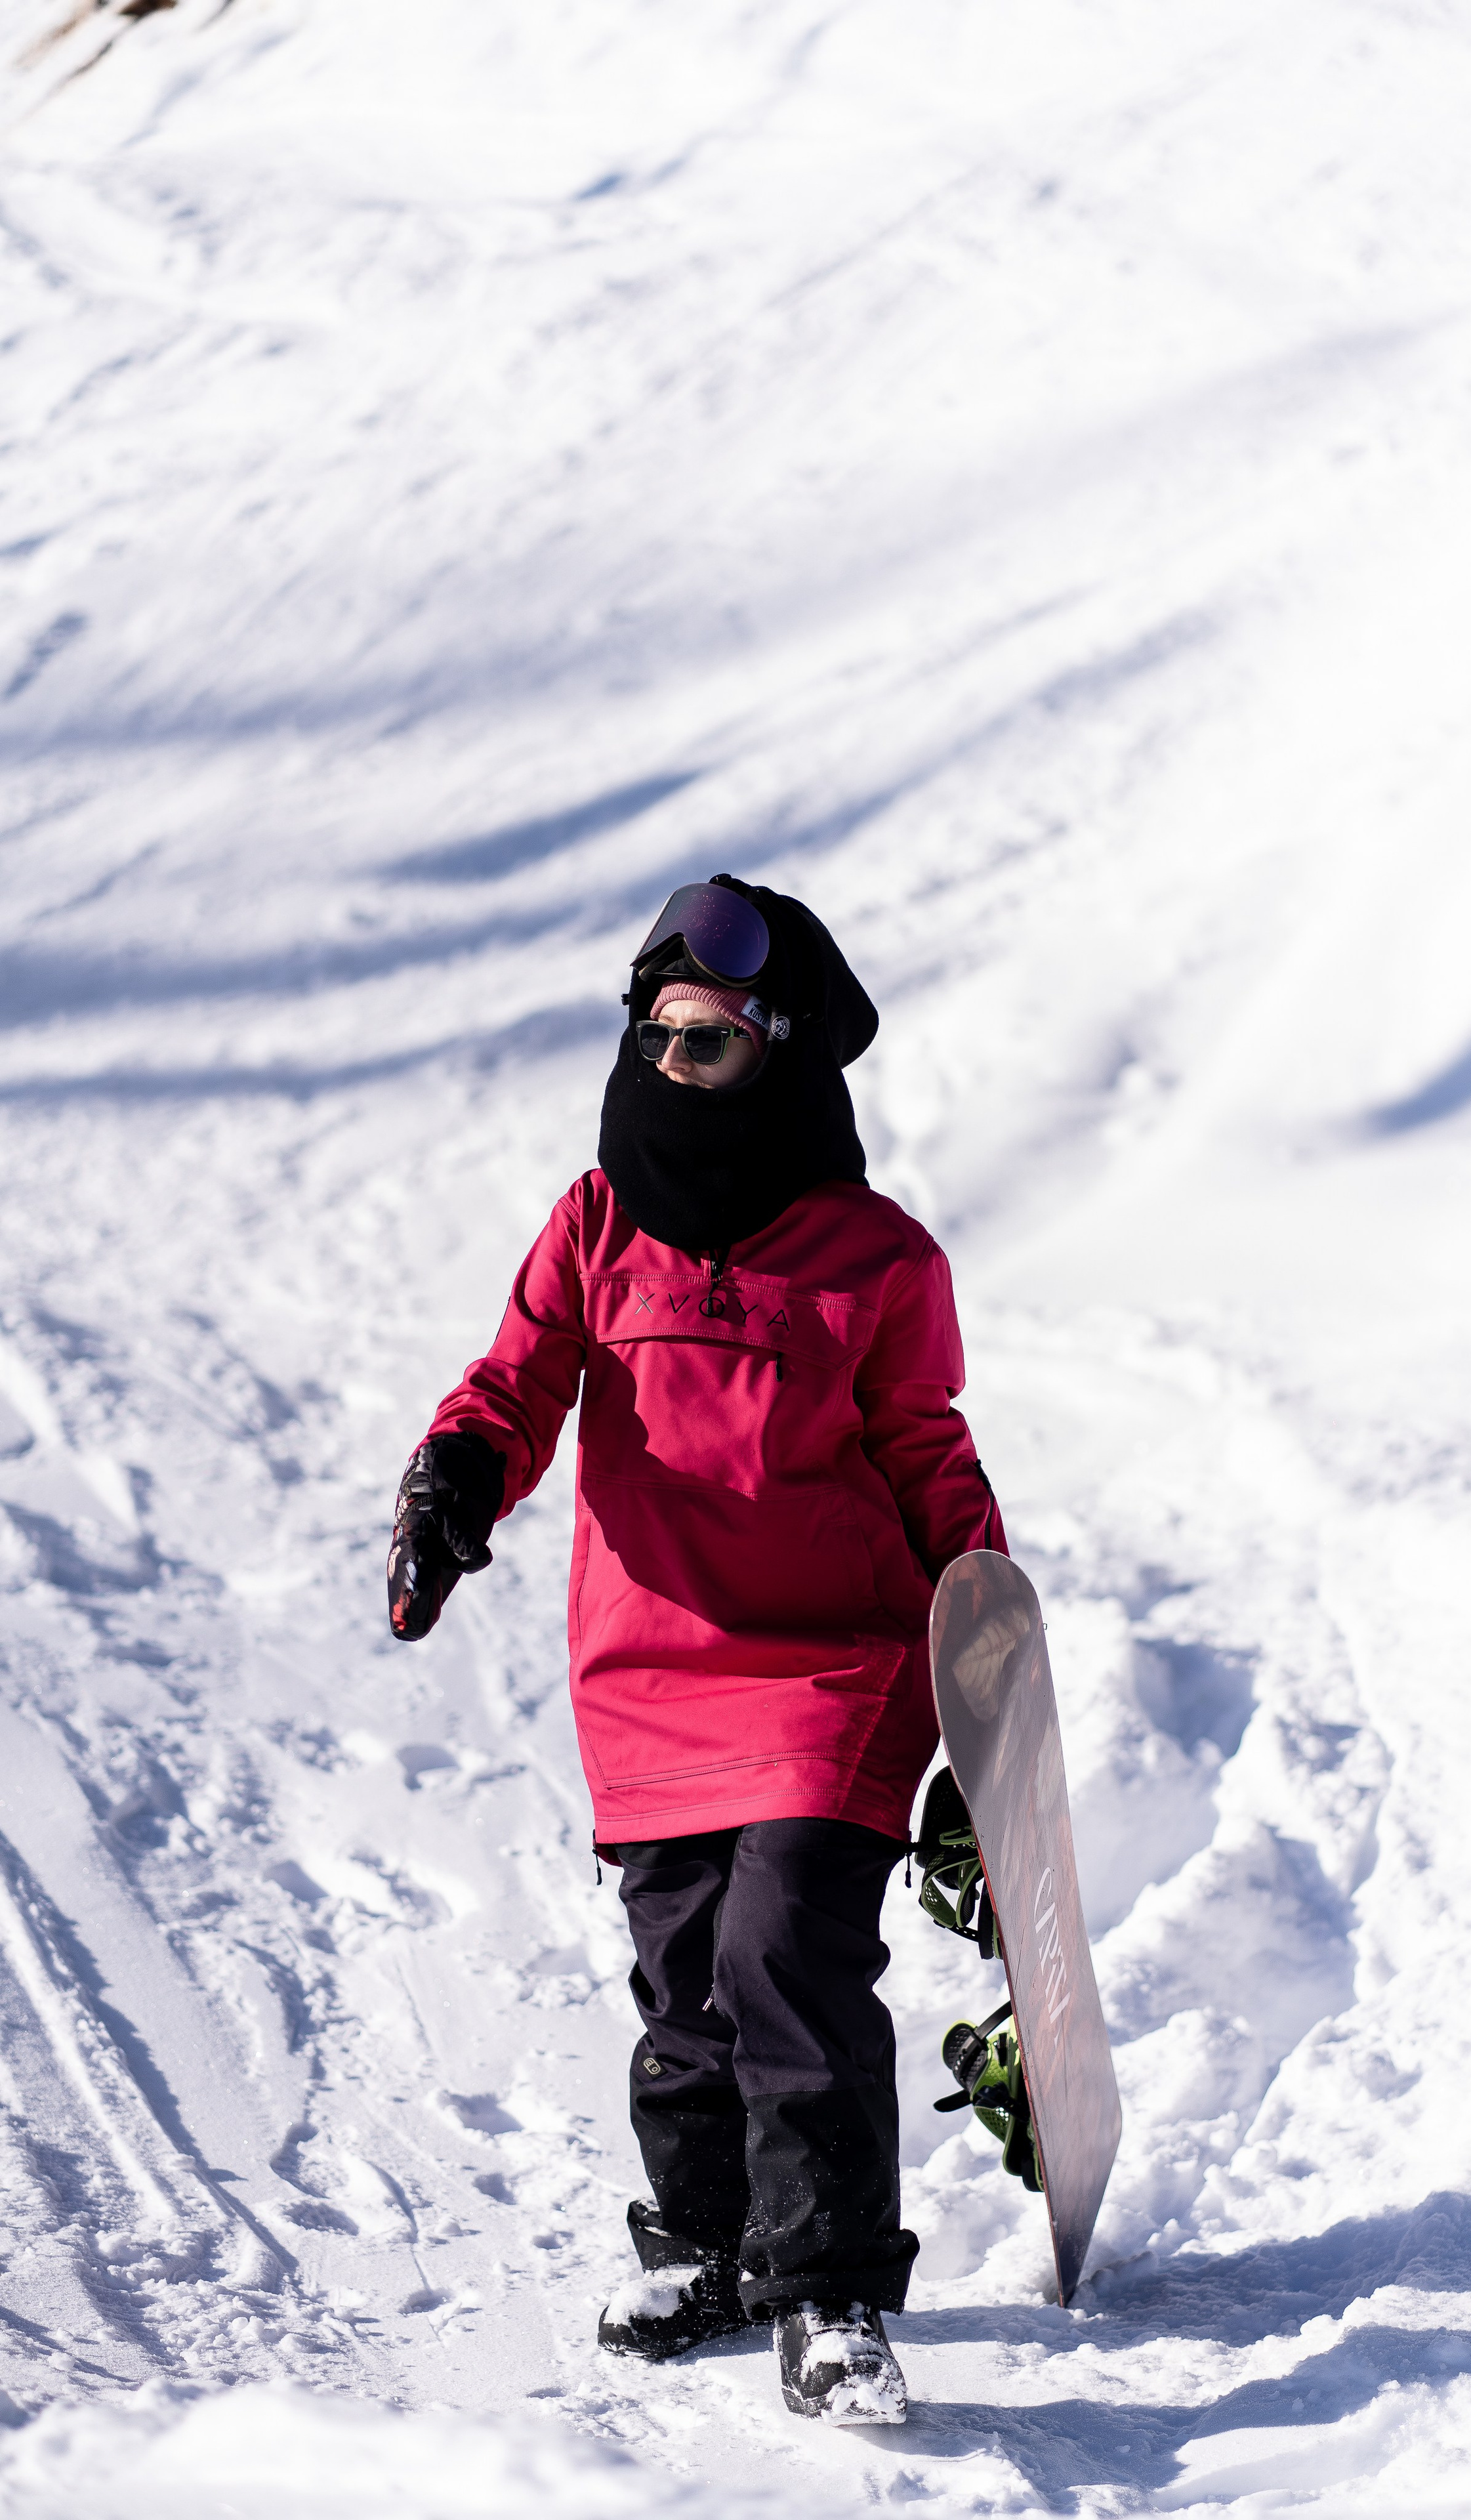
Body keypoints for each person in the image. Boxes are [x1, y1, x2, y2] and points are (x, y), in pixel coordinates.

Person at [386, 873, 1005, 2425]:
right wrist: (455, 1478)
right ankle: (709, 2248)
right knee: (685, 1989)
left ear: (781, 1057)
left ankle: (834, 2292)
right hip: (648, 1674)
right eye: (655, 1039)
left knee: (782, 1951)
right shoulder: (597, 1224)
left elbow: (922, 1444)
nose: (671, 1070)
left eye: (709, 1045)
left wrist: (982, 1611)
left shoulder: (877, 1256)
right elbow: (513, 1388)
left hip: (832, 1668)